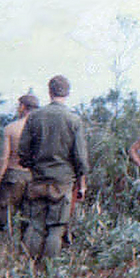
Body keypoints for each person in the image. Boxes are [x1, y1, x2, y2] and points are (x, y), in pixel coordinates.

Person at [18, 75, 88, 261]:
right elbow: (80, 157)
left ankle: (27, 269)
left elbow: (23, 151)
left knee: (35, 226)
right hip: (63, 182)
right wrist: (81, 183)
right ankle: (48, 275)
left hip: (38, 179)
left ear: (49, 92)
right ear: (67, 92)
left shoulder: (34, 116)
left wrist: (33, 167)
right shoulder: (73, 120)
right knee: (56, 230)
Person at [0, 94, 39, 236]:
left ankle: (1, 250)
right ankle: (24, 253)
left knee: (3, 216)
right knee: (28, 220)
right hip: (33, 178)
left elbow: (4, 158)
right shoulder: (40, 130)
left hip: (13, 175)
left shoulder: (11, 128)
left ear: (22, 107)